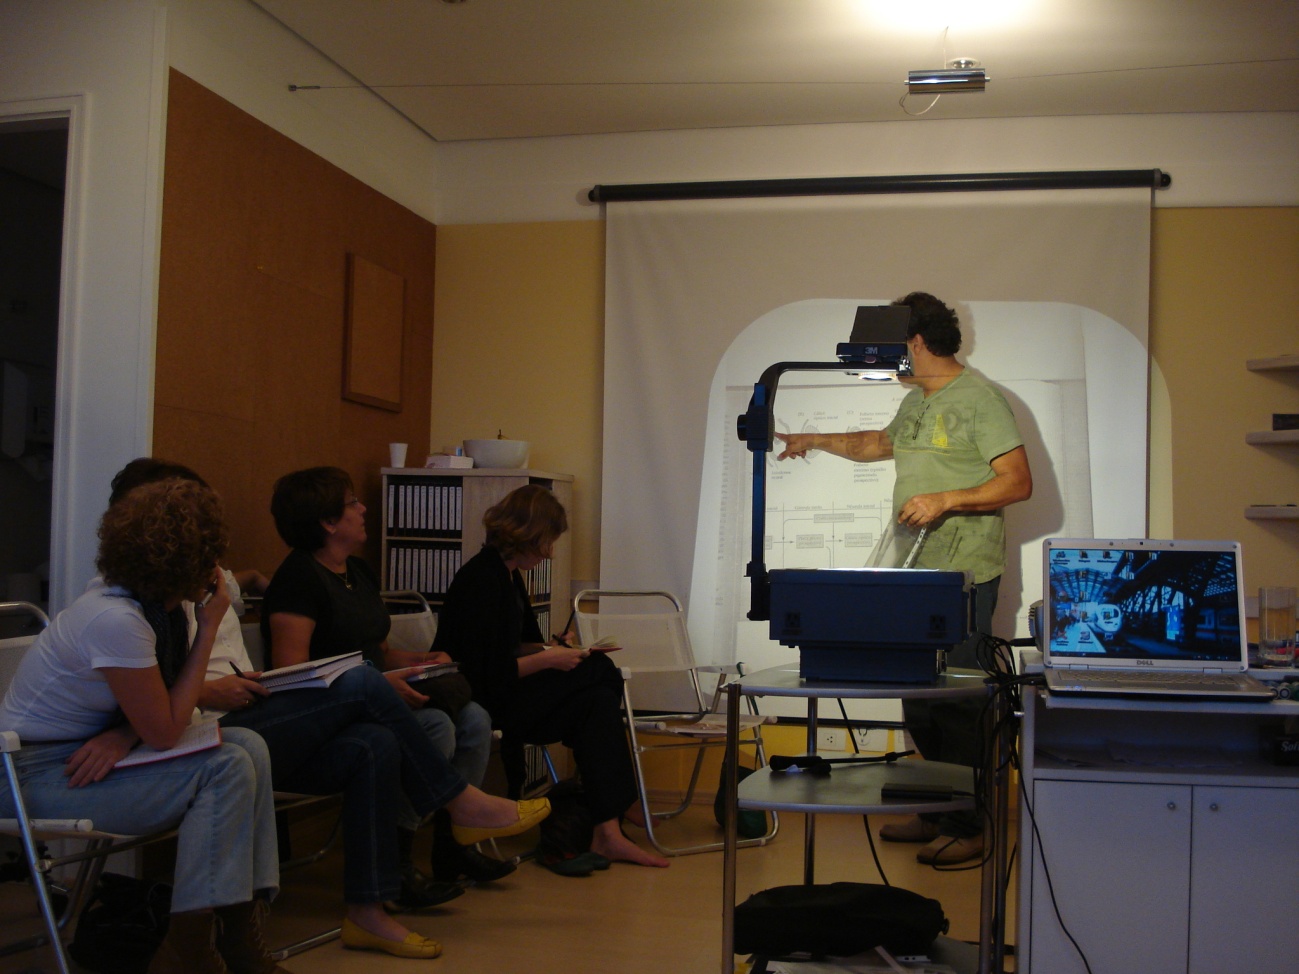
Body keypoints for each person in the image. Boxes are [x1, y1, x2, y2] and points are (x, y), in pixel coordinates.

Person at [103, 461, 548, 961]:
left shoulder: (205, 584)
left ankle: (368, 911)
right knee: (362, 680)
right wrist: (156, 716)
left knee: (376, 741)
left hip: (253, 712)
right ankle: (458, 802)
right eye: (190, 528)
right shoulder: (130, 608)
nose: (364, 509)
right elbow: (151, 693)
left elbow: (241, 591)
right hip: (228, 726)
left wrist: (416, 663)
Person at [775, 291, 1032, 867]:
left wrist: (946, 499)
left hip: (963, 575)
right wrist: (813, 440)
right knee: (919, 697)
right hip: (913, 574)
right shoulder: (917, 400)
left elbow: (1017, 481)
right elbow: (877, 444)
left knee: (959, 701)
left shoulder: (981, 399)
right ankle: (935, 807)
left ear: (914, 342)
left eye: (889, 348)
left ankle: (969, 824)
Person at [0, 478, 283, 974]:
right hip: (27, 774)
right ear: (180, 564)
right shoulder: (117, 618)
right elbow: (166, 729)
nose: (217, 569)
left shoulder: (157, 607)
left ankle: (237, 937)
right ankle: (188, 952)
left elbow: (158, 707)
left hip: (79, 752)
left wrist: (123, 732)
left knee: (249, 745)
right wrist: (209, 628)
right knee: (226, 767)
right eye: (209, 558)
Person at [259, 466, 512, 887]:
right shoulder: (297, 580)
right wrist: (377, 681)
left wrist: (422, 660)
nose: (363, 509)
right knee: (435, 725)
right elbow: (293, 675)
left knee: (475, 719)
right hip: (327, 713)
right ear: (328, 522)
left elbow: (379, 652)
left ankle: (453, 846)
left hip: (374, 694)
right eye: (353, 503)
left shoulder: (358, 572)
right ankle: (397, 858)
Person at [433, 484, 670, 869]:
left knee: (596, 704)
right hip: (483, 699)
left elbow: (514, 646)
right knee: (599, 671)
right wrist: (550, 660)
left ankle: (607, 832)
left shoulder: (508, 576)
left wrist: (550, 648)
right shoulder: (481, 579)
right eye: (548, 541)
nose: (550, 552)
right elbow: (483, 672)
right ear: (526, 533)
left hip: (505, 691)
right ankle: (621, 801)